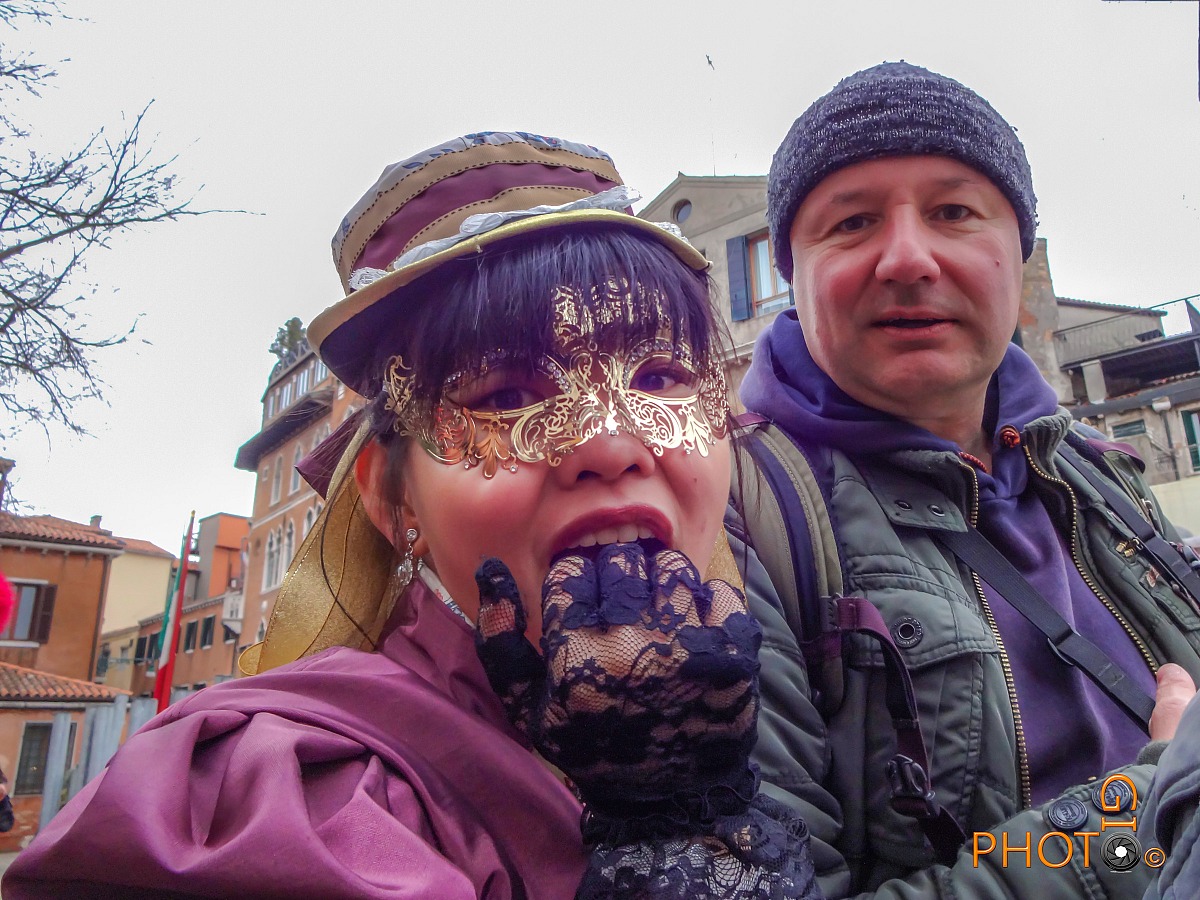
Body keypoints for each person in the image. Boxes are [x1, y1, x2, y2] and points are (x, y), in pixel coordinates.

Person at [3, 132, 818, 898]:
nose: (610, 444)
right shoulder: (280, 800)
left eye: (659, 378)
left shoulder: (770, 712)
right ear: (391, 500)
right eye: (504, 396)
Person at [736, 61, 1200, 897]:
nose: (907, 258)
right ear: (791, 277)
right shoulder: (738, 529)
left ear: (1017, 254)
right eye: (851, 223)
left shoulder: (1097, 471)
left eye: (953, 212)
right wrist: (1151, 812)